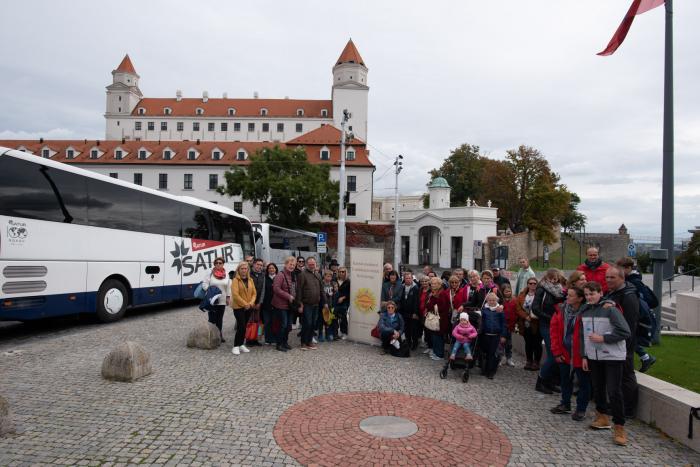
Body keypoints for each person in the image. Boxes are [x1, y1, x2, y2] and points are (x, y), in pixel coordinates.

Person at [580, 281, 631, 446]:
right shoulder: (585, 310)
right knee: (598, 387)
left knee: (614, 391)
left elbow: (625, 331)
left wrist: (603, 338)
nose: (589, 297)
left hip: (613, 356)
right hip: (594, 356)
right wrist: (584, 355)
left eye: (592, 294)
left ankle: (619, 426)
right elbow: (583, 335)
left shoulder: (611, 309)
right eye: (586, 295)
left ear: (600, 293)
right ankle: (602, 416)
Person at [550, 286, 591, 421]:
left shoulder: (587, 312)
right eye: (567, 295)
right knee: (565, 380)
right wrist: (557, 352)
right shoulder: (561, 310)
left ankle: (581, 409)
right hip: (564, 352)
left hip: (580, 354)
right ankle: (565, 403)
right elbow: (554, 331)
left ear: (580, 298)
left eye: (571, 296)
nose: (567, 297)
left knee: (584, 382)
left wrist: (585, 355)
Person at [604, 266, 640, 420]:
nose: (608, 280)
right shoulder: (612, 292)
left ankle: (628, 408)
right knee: (618, 376)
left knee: (626, 374)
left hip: (625, 342)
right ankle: (618, 405)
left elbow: (630, 324)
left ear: (622, 278)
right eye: (607, 277)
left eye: (612, 277)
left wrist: (624, 343)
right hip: (613, 340)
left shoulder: (628, 296)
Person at [616, 257, 657, 373]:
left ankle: (643, 358)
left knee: (629, 337)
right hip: (630, 313)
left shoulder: (634, 282)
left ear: (628, 268)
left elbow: (648, 301)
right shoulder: (630, 280)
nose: (618, 272)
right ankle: (645, 357)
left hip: (635, 315)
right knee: (629, 337)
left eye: (621, 269)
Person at [532, 268, 566, 394]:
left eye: (555, 279)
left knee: (558, 354)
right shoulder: (542, 289)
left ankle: (549, 381)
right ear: (546, 278)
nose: (553, 281)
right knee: (553, 354)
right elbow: (535, 308)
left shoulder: (560, 290)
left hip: (558, 324)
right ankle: (540, 381)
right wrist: (550, 318)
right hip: (546, 324)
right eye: (551, 279)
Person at [201, 257, 231, 343]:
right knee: (212, 319)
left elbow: (228, 286)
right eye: (216, 263)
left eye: (220, 263)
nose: (218, 264)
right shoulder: (210, 273)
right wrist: (211, 290)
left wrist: (228, 297)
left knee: (219, 319)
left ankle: (219, 335)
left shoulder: (226, 274)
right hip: (212, 300)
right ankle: (210, 336)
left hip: (222, 300)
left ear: (223, 264)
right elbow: (204, 284)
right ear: (214, 264)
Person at [296, 256, 323, 351]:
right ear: (307, 264)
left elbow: (321, 290)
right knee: (307, 323)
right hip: (306, 304)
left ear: (316, 264)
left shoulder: (318, 275)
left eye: (313, 264)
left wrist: (325, 303)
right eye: (310, 264)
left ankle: (309, 341)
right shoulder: (302, 274)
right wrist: (300, 304)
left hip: (316, 304)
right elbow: (299, 290)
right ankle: (303, 342)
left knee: (313, 324)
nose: (312, 265)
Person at [271, 256, 297, 352]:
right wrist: (288, 296)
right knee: (283, 325)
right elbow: (276, 289)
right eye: (290, 264)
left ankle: (285, 342)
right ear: (286, 264)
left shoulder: (292, 275)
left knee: (288, 326)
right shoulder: (280, 275)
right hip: (281, 305)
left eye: (293, 265)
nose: (292, 266)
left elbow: (294, 288)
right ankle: (279, 344)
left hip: (290, 305)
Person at [231, 261, 257, 355]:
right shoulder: (235, 280)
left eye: (245, 268)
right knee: (241, 326)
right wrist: (245, 304)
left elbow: (254, 293)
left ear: (248, 270)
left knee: (244, 326)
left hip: (249, 307)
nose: (244, 270)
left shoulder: (250, 280)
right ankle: (235, 346)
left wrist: (250, 303)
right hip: (238, 307)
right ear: (238, 270)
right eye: (242, 268)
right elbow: (235, 295)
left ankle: (241, 344)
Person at [479, 292, 507, 379]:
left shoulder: (500, 311)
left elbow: (503, 324)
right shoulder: (484, 310)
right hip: (485, 335)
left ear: (496, 300)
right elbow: (481, 322)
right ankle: (484, 369)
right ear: (487, 301)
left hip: (496, 335)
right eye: (490, 300)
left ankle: (491, 371)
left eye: (493, 300)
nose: (492, 302)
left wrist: (503, 335)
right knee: (485, 353)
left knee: (493, 353)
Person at [516, 277, 541, 370]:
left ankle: (536, 362)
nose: (532, 285)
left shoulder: (540, 294)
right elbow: (518, 308)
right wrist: (526, 316)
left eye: (534, 283)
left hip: (537, 323)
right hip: (525, 323)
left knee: (537, 343)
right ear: (527, 284)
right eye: (530, 283)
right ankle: (529, 360)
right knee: (528, 343)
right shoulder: (522, 295)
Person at [425, 277, 450, 360]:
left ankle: (439, 354)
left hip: (441, 319)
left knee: (438, 336)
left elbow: (441, 307)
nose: (433, 285)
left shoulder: (442, 293)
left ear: (439, 284)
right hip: (435, 317)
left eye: (435, 283)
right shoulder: (434, 293)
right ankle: (436, 352)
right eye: (432, 283)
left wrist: (430, 305)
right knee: (434, 335)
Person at [399, 270, 421, 350]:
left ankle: (415, 343)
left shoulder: (415, 288)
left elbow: (416, 301)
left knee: (413, 329)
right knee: (406, 329)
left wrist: (415, 313)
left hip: (412, 313)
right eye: (406, 278)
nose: (408, 279)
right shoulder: (402, 286)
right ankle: (408, 343)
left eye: (409, 278)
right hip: (404, 312)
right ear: (404, 279)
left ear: (412, 278)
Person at [247, 258, 266, 346]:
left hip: (259, 303)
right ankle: (249, 339)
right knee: (249, 321)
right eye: (258, 264)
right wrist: (251, 302)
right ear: (254, 264)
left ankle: (256, 339)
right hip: (250, 302)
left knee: (258, 322)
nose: (259, 266)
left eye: (261, 265)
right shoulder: (248, 274)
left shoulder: (263, 275)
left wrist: (260, 302)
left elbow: (263, 290)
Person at [500, 284, 517, 367]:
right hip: (503, 325)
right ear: (502, 292)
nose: (508, 293)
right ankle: (499, 358)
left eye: (509, 291)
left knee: (509, 344)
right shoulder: (501, 301)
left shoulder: (514, 300)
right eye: (506, 292)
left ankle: (508, 358)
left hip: (511, 325)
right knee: (501, 343)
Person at [261, 262, 278, 345]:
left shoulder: (278, 277)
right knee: (267, 322)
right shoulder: (264, 278)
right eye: (270, 268)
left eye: (273, 268)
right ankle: (268, 339)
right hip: (266, 304)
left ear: (276, 269)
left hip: (276, 304)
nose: (271, 269)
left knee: (275, 322)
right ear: (267, 270)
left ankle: (275, 338)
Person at [320, 270, 338, 341]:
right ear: (324, 276)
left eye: (330, 277)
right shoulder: (322, 284)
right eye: (327, 276)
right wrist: (327, 296)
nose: (329, 278)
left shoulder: (332, 284)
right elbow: (321, 294)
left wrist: (335, 291)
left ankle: (327, 334)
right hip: (323, 305)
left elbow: (334, 293)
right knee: (321, 320)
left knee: (328, 320)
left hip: (330, 304)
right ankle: (320, 334)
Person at [335, 266, 350, 339]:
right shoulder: (335, 280)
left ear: (345, 272)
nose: (341, 273)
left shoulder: (348, 281)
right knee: (335, 316)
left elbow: (349, 292)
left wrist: (343, 298)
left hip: (344, 301)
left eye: (343, 272)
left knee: (343, 317)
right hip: (335, 301)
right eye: (340, 271)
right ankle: (336, 332)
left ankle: (344, 332)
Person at [417, 275, 431, 351]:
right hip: (419, 312)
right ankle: (421, 341)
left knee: (427, 329)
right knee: (420, 327)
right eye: (422, 281)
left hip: (427, 313)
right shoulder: (420, 289)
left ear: (429, 282)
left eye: (426, 281)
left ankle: (428, 344)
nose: (424, 282)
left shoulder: (431, 291)